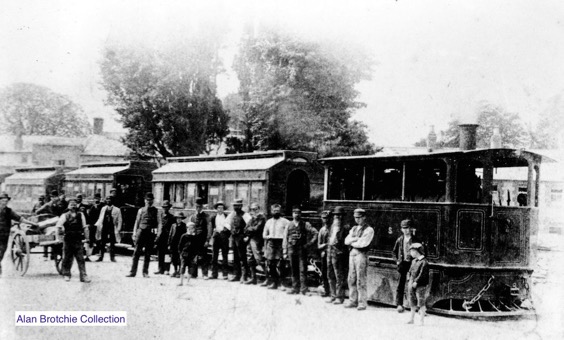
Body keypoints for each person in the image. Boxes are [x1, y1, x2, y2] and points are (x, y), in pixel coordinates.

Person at [0, 192, 39, 277]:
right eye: (3, 200)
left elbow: (20, 219)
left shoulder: (9, 211)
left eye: (6, 201)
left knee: (2, 252)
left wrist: (32, 223)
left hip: (4, 235)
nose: (5, 202)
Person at [283, 206, 318, 295]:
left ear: (300, 214)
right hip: (291, 250)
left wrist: (309, 244)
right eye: (295, 213)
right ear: (292, 214)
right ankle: (295, 288)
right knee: (293, 269)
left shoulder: (305, 224)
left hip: (301, 250)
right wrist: (284, 251)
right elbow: (285, 238)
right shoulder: (288, 225)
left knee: (302, 270)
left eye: (298, 213)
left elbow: (315, 233)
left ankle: (304, 289)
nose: (296, 215)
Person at [344, 208, 374, 311]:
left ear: (364, 217)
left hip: (361, 254)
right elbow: (346, 241)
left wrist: (353, 241)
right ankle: (353, 300)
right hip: (352, 254)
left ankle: (362, 303)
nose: (357, 220)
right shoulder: (354, 229)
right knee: (351, 278)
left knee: (361, 279)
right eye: (356, 218)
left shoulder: (369, 229)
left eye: (359, 218)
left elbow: (363, 243)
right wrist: (355, 239)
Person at [127, 192, 162, 278]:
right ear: (144, 200)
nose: (148, 202)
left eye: (150, 200)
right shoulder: (140, 210)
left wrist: (158, 234)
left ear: (153, 201)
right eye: (147, 200)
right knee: (136, 253)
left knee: (148, 253)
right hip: (141, 232)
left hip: (150, 233)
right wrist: (134, 234)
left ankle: (145, 272)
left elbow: (159, 223)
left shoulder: (156, 211)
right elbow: (137, 222)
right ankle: (132, 272)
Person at [56, 198, 91, 282]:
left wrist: (87, 238)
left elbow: (85, 227)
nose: (73, 206)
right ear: (68, 206)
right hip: (68, 239)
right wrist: (59, 238)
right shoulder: (64, 215)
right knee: (67, 258)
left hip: (78, 239)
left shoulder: (81, 215)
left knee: (81, 258)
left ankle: (83, 276)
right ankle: (66, 274)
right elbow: (58, 226)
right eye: (71, 204)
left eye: (75, 204)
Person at [392, 219, 421, 313]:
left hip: (412, 265)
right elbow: (394, 252)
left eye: (407, 228)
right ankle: (399, 304)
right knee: (400, 285)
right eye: (404, 228)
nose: (406, 230)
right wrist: (397, 261)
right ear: (401, 229)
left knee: (413, 285)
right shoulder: (400, 240)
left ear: (411, 228)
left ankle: (414, 305)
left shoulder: (416, 240)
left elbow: (422, 252)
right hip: (402, 265)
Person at [262, 204, 290, 289]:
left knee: (281, 264)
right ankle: (274, 282)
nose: (276, 212)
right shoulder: (269, 222)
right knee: (271, 264)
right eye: (274, 211)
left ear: (280, 211)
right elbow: (264, 234)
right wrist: (268, 237)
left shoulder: (285, 221)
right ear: (271, 211)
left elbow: (289, 233)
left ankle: (282, 283)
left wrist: (286, 244)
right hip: (271, 243)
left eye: (278, 211)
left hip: (280, 243)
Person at [325, 206, 350, 304]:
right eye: (336, 215)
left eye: (339, 215)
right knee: (330, 274)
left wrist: (341, 251)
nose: (337, 217)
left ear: (342, 216)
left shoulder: (346, 227)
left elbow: (347, 243)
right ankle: (333, 295)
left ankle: (340, 297)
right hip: (330, 252)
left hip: (339, 254)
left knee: (339, 276)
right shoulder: (332, 226)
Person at [226, 198, 252, 283]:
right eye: (234, 205)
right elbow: (226, 223)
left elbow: (249, 226)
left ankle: (244, 276)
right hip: (234, 237)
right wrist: (231, 230)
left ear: (241, 206)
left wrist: (246, 236)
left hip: (241, 237)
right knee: (235, 256)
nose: (235, 207)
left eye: (237, 205)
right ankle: (236, 274)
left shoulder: (245, 215)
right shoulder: (232, 214)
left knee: (242, 256)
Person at [186, 197, 212, 279]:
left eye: (199, 207)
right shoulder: (192, 217)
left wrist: (208, 240)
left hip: (203, 239)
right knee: (193, 256)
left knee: (203, 256)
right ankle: (193, 273)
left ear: (202, 207)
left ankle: (205, 274)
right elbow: (189, 228)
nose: (198, 208)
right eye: (196, 206)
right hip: (194, 239)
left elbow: (209, 228)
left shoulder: (206, 217)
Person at [95, 196, 122, 262]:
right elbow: (100, 218)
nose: (108, 201)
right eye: (107, 199)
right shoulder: (103, 208)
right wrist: (97, 225)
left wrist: (118, 229)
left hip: (112, 227)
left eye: (109, 199)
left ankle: (112, 257)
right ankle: (101, 256)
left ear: (112, 200)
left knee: (112, 242)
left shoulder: (117, 209)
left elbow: (120, 220)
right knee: (102, 242)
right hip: (104, 226)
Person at [244, 202, 266, 285]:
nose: (254, 211)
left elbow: (257, 229)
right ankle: (253, 278)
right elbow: (245, 229)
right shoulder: (252, 219)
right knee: (250, 259)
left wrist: (250, 229)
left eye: (255, 209)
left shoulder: (262, 218)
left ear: (259, 209)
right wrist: (250, 229)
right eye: (252, 209)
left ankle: (268, 278)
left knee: (259, 259)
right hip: (251, 240)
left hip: (257, 240)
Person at [407, 243, 429, 325]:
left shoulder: (424, 262)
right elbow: (410, 271)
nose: (411, 253)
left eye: (412, 251)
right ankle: (411, 319)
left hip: (420, 285)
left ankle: (421, 321)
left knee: (421, 302)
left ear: (417, 251)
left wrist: (416, 281)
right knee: (412, 302)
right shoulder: (413, 261)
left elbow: (422, 274)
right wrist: (409, 279)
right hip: (411, 283)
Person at [210, 201, 230, 280]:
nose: (220, 209)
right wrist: (214, 234)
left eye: (221, 208)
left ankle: (225, 274)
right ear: (216, 209)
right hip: (216, 237)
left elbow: (229, 228)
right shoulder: (213, 217)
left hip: (224, 238)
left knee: (225, 256)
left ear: (223, 209)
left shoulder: (227, 216)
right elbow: (211, 228)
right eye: (218, 208)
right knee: (214, 256)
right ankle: (214, 274)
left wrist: (225, 235)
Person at [154, 200, 175, 275]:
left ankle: (166, 269)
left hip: (167, 238)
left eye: (166, 207)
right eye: (164, 207)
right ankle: (160, 269)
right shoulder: (160, 216)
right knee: (160, 253)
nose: (165, 209)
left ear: (169, 208)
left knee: (167, 254)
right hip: (160, 237)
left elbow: (173, 229)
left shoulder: (172, 218)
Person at [85, 193, 105, 261]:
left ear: (100, 198)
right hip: (92, 225)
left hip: (99, 225)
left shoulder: (103, 206)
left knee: (99, 240)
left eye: (98, 198)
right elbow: (89, 215)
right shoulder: (92, 206)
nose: (97, 199)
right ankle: (88, 256)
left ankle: (99, 256)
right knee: (91, 240)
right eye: (95, 198)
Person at [317, 210, 332, 298]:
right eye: (323, 218)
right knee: (325, 272)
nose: (325, 220)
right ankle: (326, 290)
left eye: (326, 218)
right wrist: (326, 245)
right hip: (325, 254)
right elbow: (319, 245)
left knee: (332, 273)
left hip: (332, 254)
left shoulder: (333, 229)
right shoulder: (322, 230)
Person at [178, 222, 198, 286]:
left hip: (192, 255)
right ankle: (181, 281)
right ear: (187, 228)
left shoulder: (195, 237)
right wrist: (181, 254)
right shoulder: (184, 236)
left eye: (192, 228)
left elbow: (196, 247)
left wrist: (195, 256)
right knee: (182, 267)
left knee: (191, 268)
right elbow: (180, 246)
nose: (191, 230)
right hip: (184, 254)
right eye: (189, 228)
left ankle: (188, 282)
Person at [168, 212, 187, 278]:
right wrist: (169, 244)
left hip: (180, 244)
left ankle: (179, 271)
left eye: (180, 218)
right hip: (174, 244)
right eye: (177, 218)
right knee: (174, 258)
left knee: (180, 258)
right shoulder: (173, 225)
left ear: (182, 219)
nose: (179, 219)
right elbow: (170, 235)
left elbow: (185, 235)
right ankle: (175, 270)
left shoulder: (184, 226)